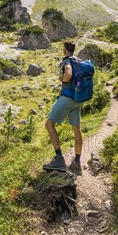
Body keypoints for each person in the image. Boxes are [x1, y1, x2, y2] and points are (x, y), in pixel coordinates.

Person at [43, 41, 83, 175]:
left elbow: (68, 75)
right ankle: (77, 162)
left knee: (49, 124)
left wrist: (62, 78)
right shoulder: (78, 60)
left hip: (67, 98)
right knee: (76, 129)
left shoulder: (67, 60)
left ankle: (59, 159)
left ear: (65, 49)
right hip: (78, 100)